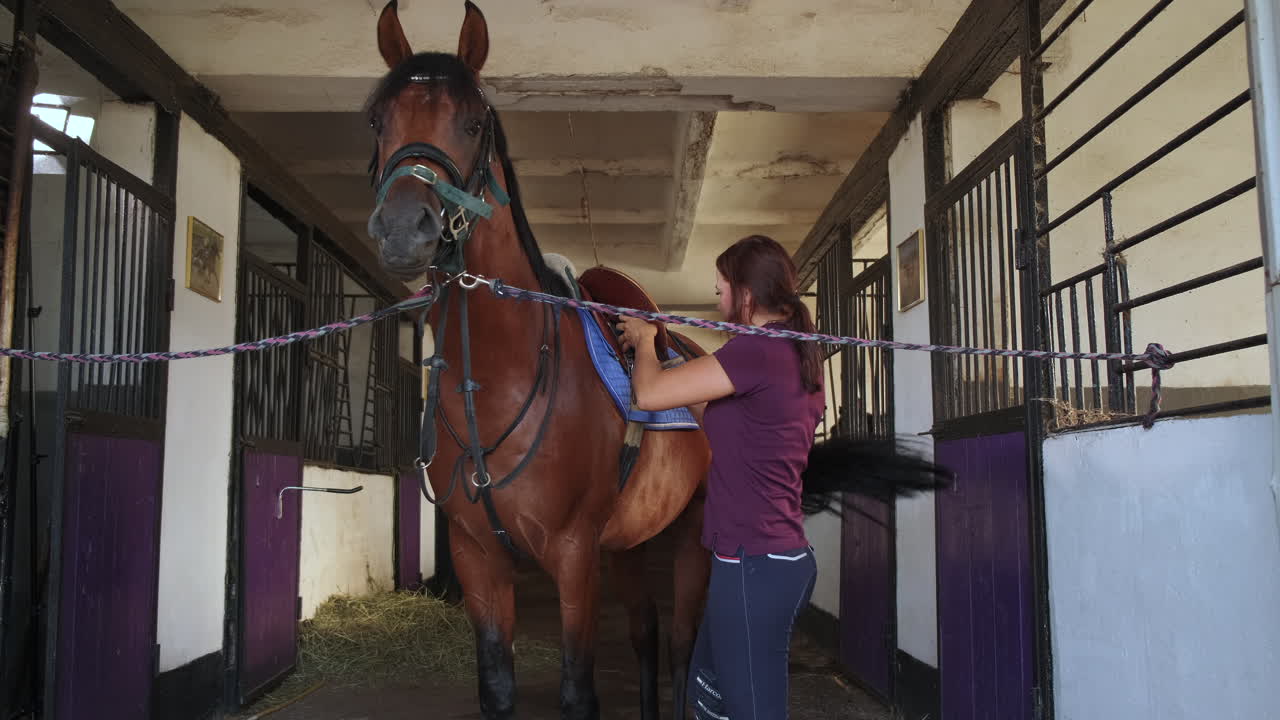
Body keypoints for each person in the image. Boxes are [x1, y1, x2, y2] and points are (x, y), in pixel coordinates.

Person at [616, 234, 826, 720]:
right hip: (763, 561)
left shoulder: (755, 351)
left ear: (747, 294)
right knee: (707, 691)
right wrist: (674, 369)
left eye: (722, 288)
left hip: (756, 565)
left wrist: (647, 343)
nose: (718, 298)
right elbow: (723, 420)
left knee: (754, 710)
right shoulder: (789, 353)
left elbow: (646, 396)